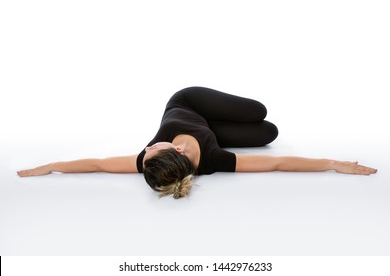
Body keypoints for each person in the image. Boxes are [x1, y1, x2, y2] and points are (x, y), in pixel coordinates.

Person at [17, 86, 377, 199]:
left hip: (189, 103)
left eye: (144, 156)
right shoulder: (214, 160)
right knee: (269, 134)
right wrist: (333, 163)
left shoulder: (149, 155)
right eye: (147, 155)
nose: (143, 153)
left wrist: (51, 165)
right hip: (212, 133)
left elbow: (94, 164)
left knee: (259, 111)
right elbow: (279, 162)